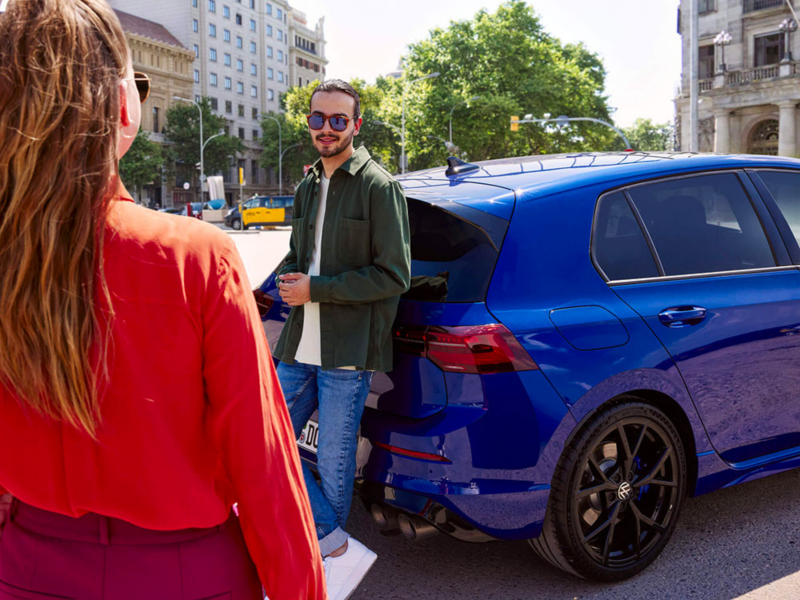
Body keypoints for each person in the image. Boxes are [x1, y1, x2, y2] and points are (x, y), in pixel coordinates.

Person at [0, 2, 325, 598]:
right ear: (122, 104)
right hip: (188, 572)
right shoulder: (195, 256)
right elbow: (263, 467)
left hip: (25, 567)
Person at [274, 80, 411, 600]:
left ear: (356, 124)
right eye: (317, 119)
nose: (326, 129)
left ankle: (324, 567)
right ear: (308, 122)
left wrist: (318, 289)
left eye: (338, 120)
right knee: (265, 440)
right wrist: (286, 279)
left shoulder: (379, 186)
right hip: (297, 343)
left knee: (332, 461)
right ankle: (331, 544)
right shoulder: (309, 183)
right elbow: (299, 255)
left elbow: (393, 275)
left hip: (348, 351)